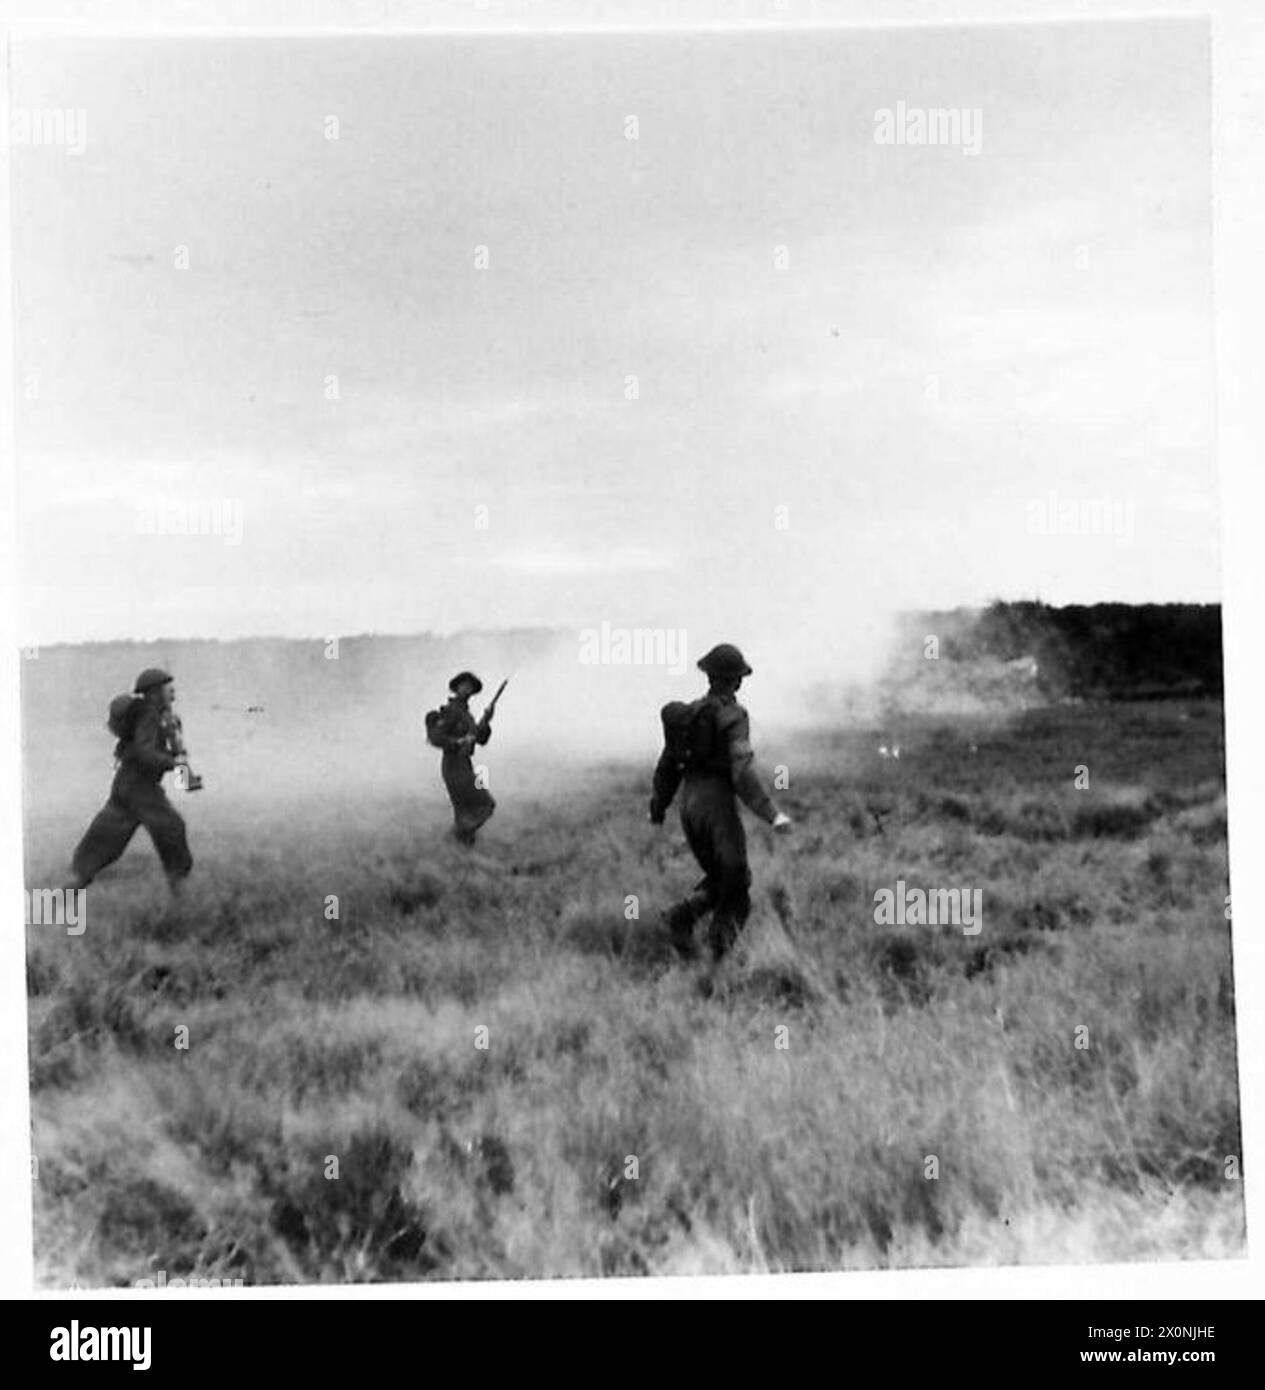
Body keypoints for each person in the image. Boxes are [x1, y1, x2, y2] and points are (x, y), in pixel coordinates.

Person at [649, 643, 791, 961]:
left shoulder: (688, 716)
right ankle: (711, 961)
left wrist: (658, 806)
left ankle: (683, 922)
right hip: (716, 806)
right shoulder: (733, 716)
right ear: (737, 680)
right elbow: (742, 771)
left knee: (721, 879)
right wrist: (772, 814)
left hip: (689, 806)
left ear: (710, 677)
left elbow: (667, 766)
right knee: (738, 886)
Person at [67, 667, 194, 894]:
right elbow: (145, 752)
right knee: (172, 827)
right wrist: (172, 762)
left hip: (125, 785)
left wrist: (181, 768)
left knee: (107, 840)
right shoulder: (150, 714)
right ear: (155, 692)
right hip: (140, 788)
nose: (172, 691)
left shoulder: (162, 716)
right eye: (167, 687)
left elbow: (162, 754)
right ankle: (180, 892)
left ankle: (71, 887)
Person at [428, 671, 496, 846]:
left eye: (470, 687)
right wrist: (458, 742)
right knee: (483, 803)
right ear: (456, 688)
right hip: (453, 765)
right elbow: (436, 737)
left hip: (466, 764)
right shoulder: (450, 711)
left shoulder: (467, 715)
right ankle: (455, 838)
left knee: (472, 807)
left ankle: (460, 847)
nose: (467, 689)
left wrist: (487, 720)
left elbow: (480, 739)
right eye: (464, 685)